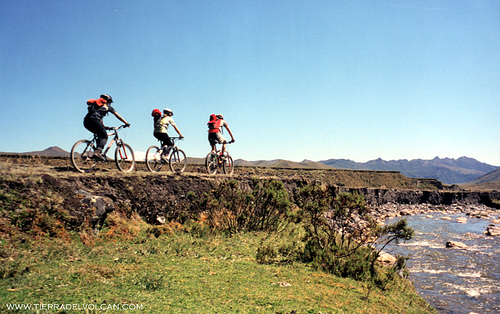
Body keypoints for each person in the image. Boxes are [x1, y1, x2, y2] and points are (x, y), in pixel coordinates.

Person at [84, 94, 130, 160]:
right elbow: (118, 116)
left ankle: (95, 154)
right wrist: (126, 123)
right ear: (108, 101)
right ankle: (98, 151)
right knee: (104, 136)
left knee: (100, 135)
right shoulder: (107, 106)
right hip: (95, 120)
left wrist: (104, 126)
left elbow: (98, 117)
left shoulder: (95, 105)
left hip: (86, 121)